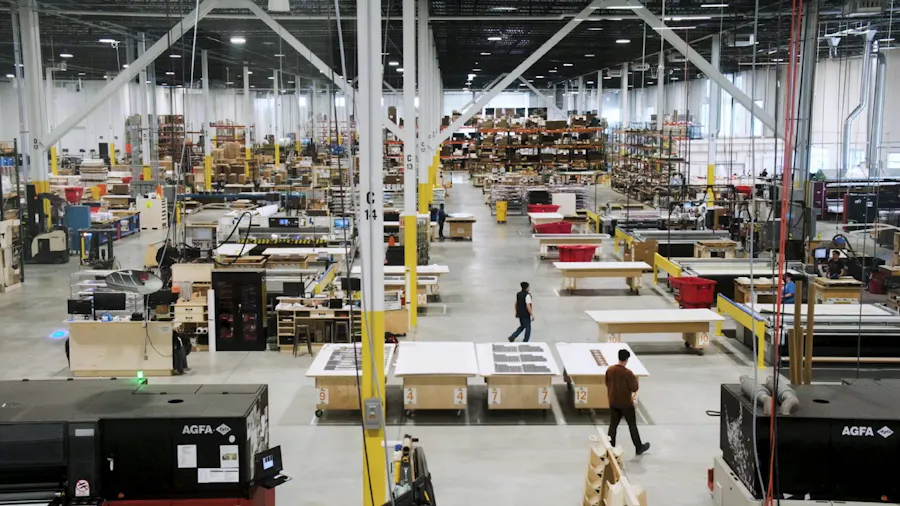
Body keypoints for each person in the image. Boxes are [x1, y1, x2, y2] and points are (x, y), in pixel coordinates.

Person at [606, 349, 650, 455]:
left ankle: (610, 447)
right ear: (626, 359)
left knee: (613, 426)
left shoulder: (610, 370)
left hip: (613, 402)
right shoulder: (628, 373)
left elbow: (607, 383)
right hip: (626, 404)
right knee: (632, 425)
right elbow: (634, 388)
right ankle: (638, 447)